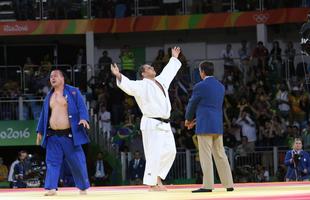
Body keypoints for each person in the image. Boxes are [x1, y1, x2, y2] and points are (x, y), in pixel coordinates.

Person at [110, 46, 182, 191]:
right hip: (152, 122)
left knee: (171, 151)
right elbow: (129, 86)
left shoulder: (161, 81)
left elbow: (169, 72)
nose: (152, 68)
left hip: (165, 123)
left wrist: (174, 58)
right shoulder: (142, 85)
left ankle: (158, 178)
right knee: (153, 153)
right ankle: (152, 183)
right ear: (143, 73)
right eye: (149, 67)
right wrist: (119, 75)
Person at [36, 69, 90, 196]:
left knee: (77, 162)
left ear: (62, 78)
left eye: (55, 76)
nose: (52, 78)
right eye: (50, 77)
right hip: (52, 135)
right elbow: (44, 115)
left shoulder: (73, 92)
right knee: (52, 162)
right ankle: (51, 188)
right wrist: (39, 131)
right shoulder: (49, 96)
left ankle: (82, 187)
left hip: (70, 135)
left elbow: (82, 107)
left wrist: (83, 118)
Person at [185, 60, 234, 193]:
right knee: (220, 154)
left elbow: (192, 104)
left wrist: (188, 119)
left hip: (205, 125)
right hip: (217, 123)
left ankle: (207, 185)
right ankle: (229, 183)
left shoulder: (200, 86)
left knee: (205, 155)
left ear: (202, 72)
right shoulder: (220, 86)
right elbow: (210, 106)